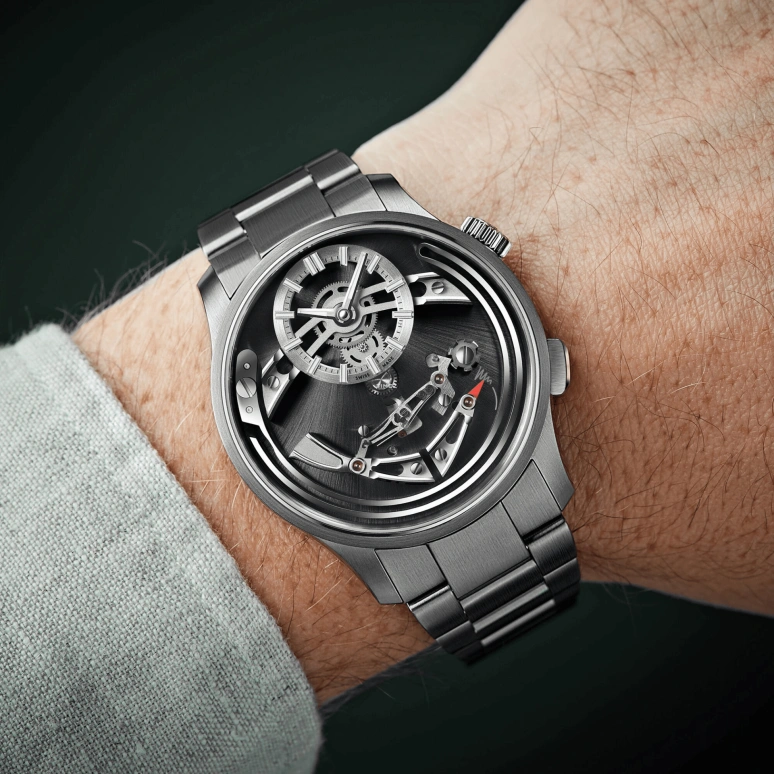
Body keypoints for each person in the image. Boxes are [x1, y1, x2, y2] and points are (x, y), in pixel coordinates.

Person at [2, 0, 772, 770]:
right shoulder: (301, 376)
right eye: (331, 318)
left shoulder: (438, 343)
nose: (346, 321)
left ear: (550, 359)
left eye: (354, 311)